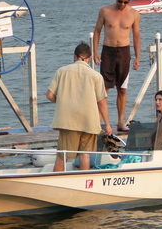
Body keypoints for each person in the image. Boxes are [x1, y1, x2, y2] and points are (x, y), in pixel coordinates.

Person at [46, 41, 113, 171]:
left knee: (62, 155)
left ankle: (56, 181)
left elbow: (49, 95)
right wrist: (108, 124)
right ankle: (84, 181)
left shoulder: (62, 71)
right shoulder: (96, 76)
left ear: (74, 56)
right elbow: (102, 101)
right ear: (89, 58)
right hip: (89, 120)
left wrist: (62, 102)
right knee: (85, 155)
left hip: (67, 120)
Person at [93, 0, 141, 132]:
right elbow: (97, 31)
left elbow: (136, 36)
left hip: (124, 52)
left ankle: (120, 122)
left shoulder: (134, 14)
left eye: (126, 2)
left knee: (122, 89)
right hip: (108, 51)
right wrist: (95, 51)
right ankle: (98, 123)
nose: (122, 4)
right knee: (104, 89)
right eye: (120, 1)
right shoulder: (105, 11)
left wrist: (138, 56)